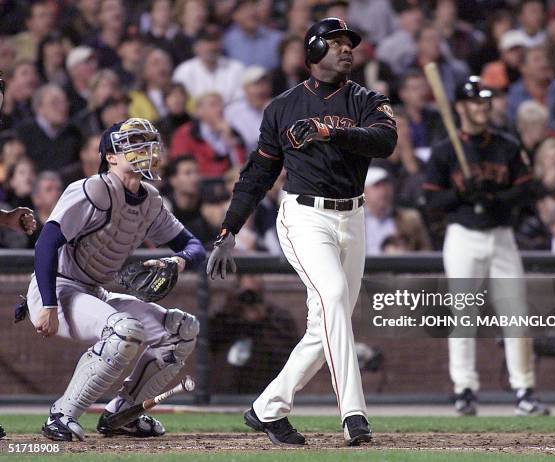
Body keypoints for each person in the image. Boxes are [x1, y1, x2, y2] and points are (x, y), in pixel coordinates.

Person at [206, 18, 397, 446]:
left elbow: (384, 142)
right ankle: (354, 414)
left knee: (328, 324)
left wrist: (333, 131)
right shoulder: (283, 107)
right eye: (335, 42)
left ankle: (267, 409)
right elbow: (259, 172)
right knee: (332, 298)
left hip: (353, 215)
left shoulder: (368, 99)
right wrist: (229, 227)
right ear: (312, 51)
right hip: (304, 216)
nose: (346, 49)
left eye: (350, 43)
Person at [28, 118, 205, 442]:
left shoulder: (150, 199)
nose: (145, 149)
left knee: (182, 330)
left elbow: (194, 247)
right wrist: (48, 304)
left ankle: (123, 414)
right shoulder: (92, 188)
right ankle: (61, 416)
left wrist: (177, 261)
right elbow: (46, 243)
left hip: (95, 292)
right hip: (58, 286)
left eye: (148, 142)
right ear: (110, 156)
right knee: (125, 330)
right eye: (134, 143)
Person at [423, 76, 550, 417]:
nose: (482, 107)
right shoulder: (446, 149)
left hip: (502, 234)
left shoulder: (506, 146)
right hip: (463, 235)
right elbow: (430, 199)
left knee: (516, 314)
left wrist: (495, 197)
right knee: (463, 315)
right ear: (462, 106)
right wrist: (463, 194)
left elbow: (527, 189)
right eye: (476, 102)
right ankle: (464, 389)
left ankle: (524, 390)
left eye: (486, 101)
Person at [16, 83, 82, 172]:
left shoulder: (74, 133)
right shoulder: (23, 133)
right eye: (55, 103)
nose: (62, 108)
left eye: (64, 102)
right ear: (39, 108)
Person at [172, 27, 245, 104]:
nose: (211, 47)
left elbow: (240, 99)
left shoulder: (236, 68)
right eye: (206, 42)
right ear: (196, 48)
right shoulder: (184, 71)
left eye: (215, 41)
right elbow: (181, 101)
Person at [225, 66, 272, 153]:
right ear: (244, 88)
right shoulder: (232, 111)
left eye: (264, 84)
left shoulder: (278, 108)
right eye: (255, 84)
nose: (260, 90)